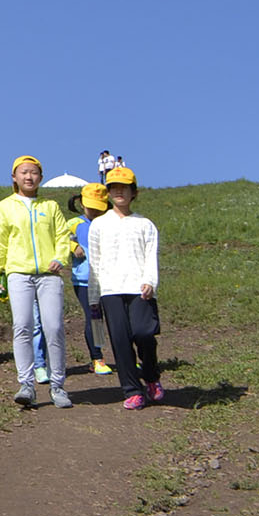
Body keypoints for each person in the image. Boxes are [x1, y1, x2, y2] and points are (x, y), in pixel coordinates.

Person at [0, 155, 78, 409]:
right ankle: (26, 384)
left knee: (54, 328)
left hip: (49, 275)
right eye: (24, 172)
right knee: (22, 327)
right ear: (14, 177)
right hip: (19, 274)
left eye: (34, 172)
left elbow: (62, 235)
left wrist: (61, 258)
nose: (29, 177)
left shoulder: (50, 206)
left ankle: (58, 386)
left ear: (41, 177)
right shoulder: (6, 206)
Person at [88, 166, 164, 410]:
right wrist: (93, 296)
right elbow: (95, 261)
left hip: (139, 288)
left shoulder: (145, 224)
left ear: (134, 192)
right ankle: (132, 390)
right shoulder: (99, 224)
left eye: (125, 188)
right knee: (120, 341)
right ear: (109, 193)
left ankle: (151, 377)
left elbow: (151, 256)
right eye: (114, 188)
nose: (120, 192)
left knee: (144, 333)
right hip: (109, 290)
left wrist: (150, 281)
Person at [67, 187, 113, 376]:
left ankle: (127, 357)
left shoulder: (109, 223)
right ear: (81, 203)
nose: (94, 212)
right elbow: (59, 238)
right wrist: (73, 245)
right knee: (94, 317)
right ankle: (97, 358)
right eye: (90, 207)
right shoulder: (74, 223)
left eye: (98, 208)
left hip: (109, 279)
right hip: (84, 280)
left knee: (113, 319)